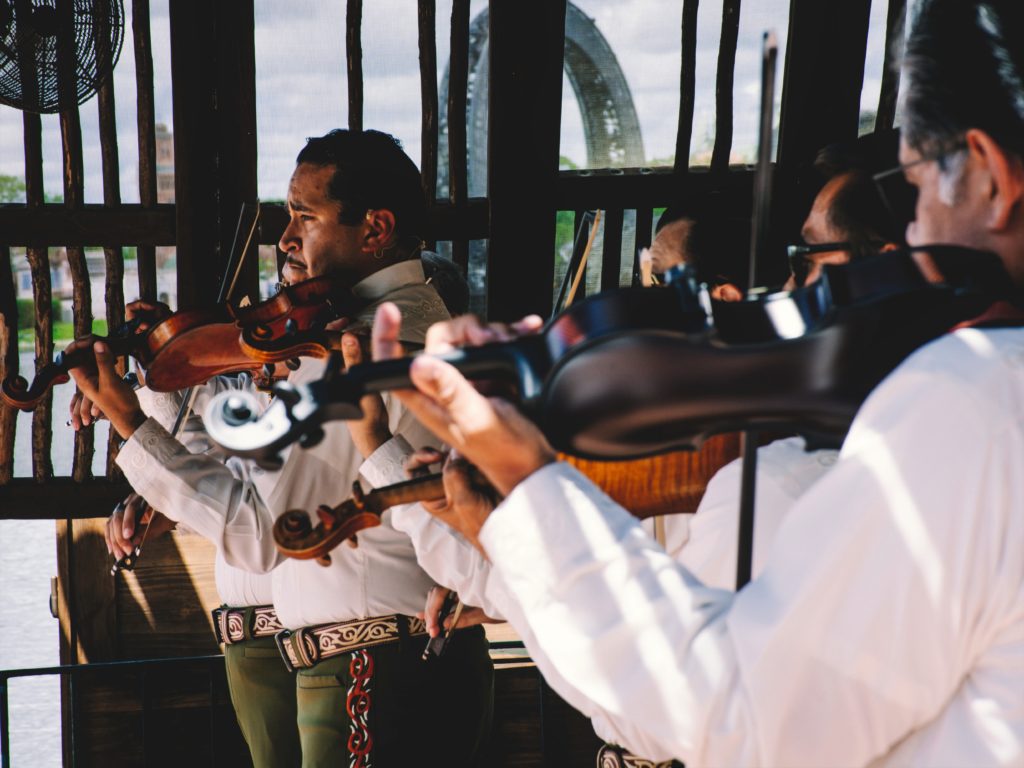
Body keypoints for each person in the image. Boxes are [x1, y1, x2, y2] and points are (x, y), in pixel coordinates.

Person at [360, 1, 1024, 764]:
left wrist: (528, 481)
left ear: (991, 175)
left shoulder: (978, 397)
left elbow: (734, 714)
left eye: (918, 184)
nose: (914, 234)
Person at [67, 129, 493, 767]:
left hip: (374, 663)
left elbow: (264, 533)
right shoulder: (406, 324)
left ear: (375, 229)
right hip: (385, 655)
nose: (287, 240)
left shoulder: (359, 346)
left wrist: (130, 422)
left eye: (305, 216)